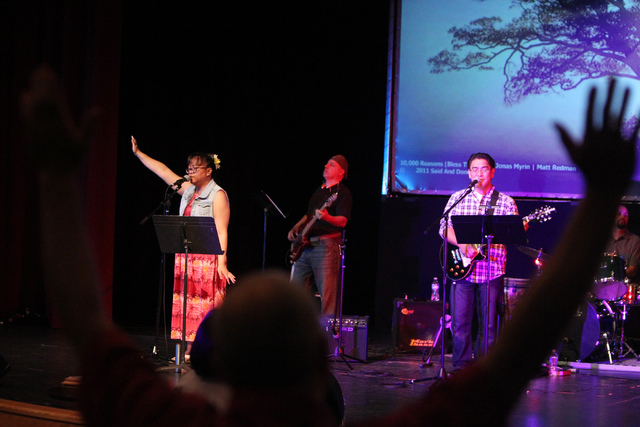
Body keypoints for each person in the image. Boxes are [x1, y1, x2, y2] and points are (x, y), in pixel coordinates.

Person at [23, 64, 640, 426]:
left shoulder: (167, 417)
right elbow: (503, 375)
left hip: (483, 269)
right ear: (316, 368)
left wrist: (55, 180)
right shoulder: (445, 200)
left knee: (482, 329)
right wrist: (601, 193)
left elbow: (87, 325)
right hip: (459, 267)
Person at [131, 137, 235, 343]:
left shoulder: (218, 195)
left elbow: (222, 231)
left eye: (196, 168)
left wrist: (221, 262)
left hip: (206, 260)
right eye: (189, 167)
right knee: (188, 305)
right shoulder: (188, 191)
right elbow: (163, 171)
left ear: (209, 171)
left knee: (204, 305)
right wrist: (138, 153)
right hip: (187, 257)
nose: (191, 171)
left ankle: (206, 348)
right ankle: (188, 347)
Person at [439, 152, 524, 371]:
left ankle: (485, 368)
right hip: (462, 270)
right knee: (460, 323)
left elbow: (513, 236)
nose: (479, 173)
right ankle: (461, 366)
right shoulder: (457, 198)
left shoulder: (506, 202)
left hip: (491, 270)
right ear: (469, 173)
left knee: (489, 324)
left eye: (484, 169)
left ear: (492, 172)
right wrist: (463, 245)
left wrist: (517, 228)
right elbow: (444, 229)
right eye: (474, 169)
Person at [287, 155, 352, 315]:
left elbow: (343, 221)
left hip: (326, 247)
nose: (326, 166)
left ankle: (328, 330)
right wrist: (296, 227)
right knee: (295, 292)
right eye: (327, 163)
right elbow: (309, 214)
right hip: (306, 245)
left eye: (331, 164)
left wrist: (327, 217)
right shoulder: (319, 189)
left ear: (342, 171)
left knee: (327, 295)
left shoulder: (342, 193)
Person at [605, 205, 640, 284]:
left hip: (624, 285)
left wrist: (611, 274)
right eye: (619, 213)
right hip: (602, 285)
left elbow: (633, 271)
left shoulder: (635, 240)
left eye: (626, 215)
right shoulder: (603, 239)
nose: (622, 217)